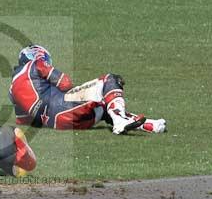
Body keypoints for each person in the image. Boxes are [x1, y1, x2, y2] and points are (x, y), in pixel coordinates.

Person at [9, 45, 166, 134]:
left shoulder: (11, 90)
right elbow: (65, 83)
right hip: (63, 106)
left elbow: (23, 120)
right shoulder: (36, 64)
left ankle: (149, 125)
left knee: (103, 106)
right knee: (110, 80)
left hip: (58, 123)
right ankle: (119, 121)